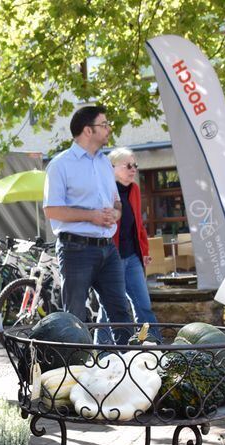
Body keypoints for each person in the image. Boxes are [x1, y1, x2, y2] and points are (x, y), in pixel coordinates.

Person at [43, 105, 132, 344]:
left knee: (121, 311)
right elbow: (51, 209)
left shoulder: (104, 163)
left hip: (108, 248)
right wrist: (90, 216)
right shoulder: (60, 165)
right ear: (87, 131)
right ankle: (76, 373)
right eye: (104, 125)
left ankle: (129, 368)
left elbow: (116, 202)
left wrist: (116, 213)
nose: (109, 129)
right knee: (74, 317)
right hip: (76, 250)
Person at [94, 147, 158, 340]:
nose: (133, 169)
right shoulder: (102, 191)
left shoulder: (135, 190)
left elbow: (138, 225)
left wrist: (144, 251)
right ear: (112, 168)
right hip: (109, 258)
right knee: (109, 309)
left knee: (143, 305)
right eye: (128, 165)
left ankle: (152, 347)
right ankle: (102, 353)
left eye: (135, 165)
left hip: (132, 257)